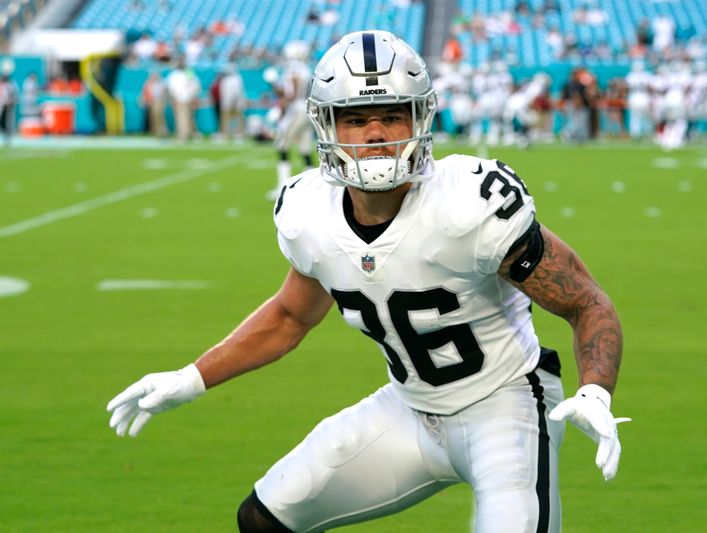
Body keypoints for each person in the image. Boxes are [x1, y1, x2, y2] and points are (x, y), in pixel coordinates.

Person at [107, 31, 628, 533]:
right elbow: (290, 316)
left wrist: (596, 392)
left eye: (392, 115)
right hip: (408, 409)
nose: (376, 134)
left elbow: (585, 302)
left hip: (507, 406)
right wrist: (192, 377)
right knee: (266, 517)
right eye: (356, 119)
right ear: (327, 126)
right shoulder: (309, 212)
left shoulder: (470, 205)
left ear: (420, 117)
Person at [265, 40, 315, 200]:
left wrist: (280, 107)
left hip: (297, 110)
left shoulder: (294, 69)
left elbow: (292, 94)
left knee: (282, 143)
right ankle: (313, 186)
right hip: (306, 109)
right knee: (305, 148)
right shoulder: (305, 68)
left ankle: (282, 186)